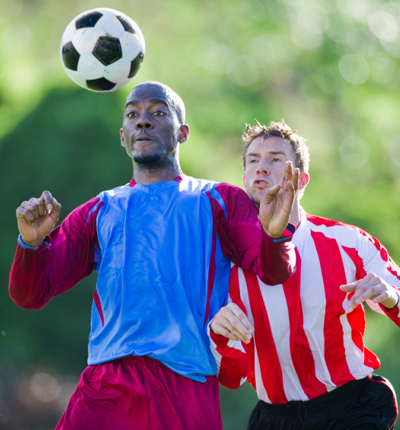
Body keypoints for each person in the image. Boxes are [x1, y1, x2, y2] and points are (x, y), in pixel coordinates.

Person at [9, 83, 299, 430]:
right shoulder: (98, 210)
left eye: (158, 113)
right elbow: (29, 294)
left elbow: (274, 270)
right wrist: (30, 246)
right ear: (122, 136)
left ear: (183, 133)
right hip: (106, 385)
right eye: (133, 114)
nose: (143, 122)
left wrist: (275, 234)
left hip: (184, 386)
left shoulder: (220, 200)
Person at [209, 120, 399, 430]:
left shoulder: (348, 242)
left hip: (352, 407)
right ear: (244, 178)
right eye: (253, 160)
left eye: (274, 159)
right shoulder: (226, 267)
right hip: (276, 418)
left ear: (302, 179)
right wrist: (217, 333)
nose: (261, 168)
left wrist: (391, 296)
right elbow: (232, 377)